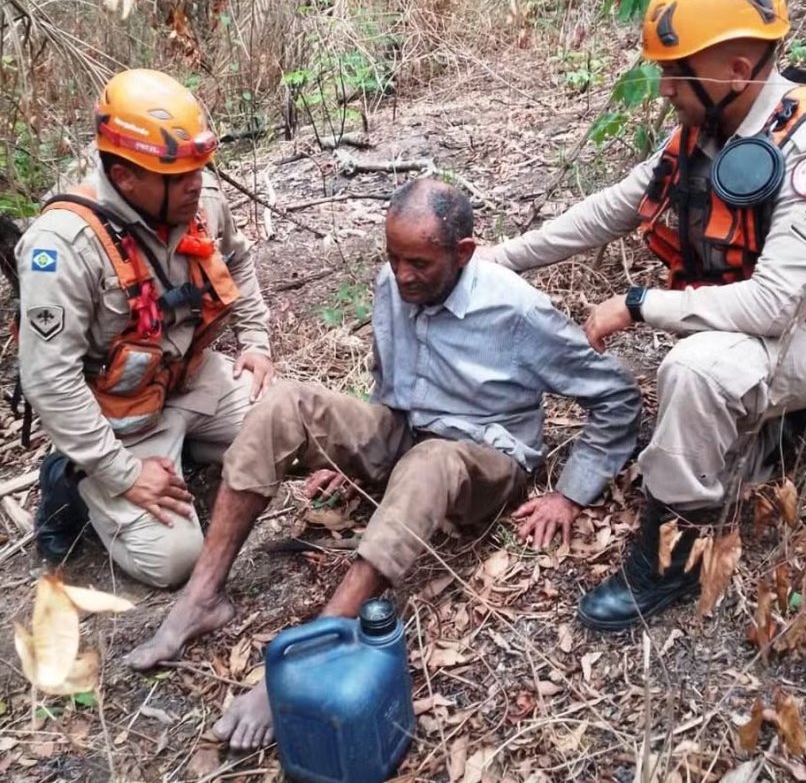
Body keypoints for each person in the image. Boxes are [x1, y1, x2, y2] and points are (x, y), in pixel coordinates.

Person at [124, 178, 641, 749]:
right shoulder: (395, 284)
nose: (401, 275)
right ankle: (203, 595)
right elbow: (390, 388)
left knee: (427, 463)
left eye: (418, 262)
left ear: (463, 253)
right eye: (392, 258)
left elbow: (615, 396)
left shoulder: (514, 309)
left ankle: (317, 644)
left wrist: (571, 492)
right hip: (408, 429)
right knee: (283, 404)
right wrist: (353, 455)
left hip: (484, 458)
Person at [478, 0, 806, 631]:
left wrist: (639, 306)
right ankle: (772, 428)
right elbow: (611, 207)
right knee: (703, 368)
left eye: (674, 72)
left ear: (736, 71)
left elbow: (777, 305)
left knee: (690, 368)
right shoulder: (707, 127)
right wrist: (503, 257)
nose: (663, 87)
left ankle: (674, 557)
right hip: (766, 327)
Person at [16, 69, 274, 588]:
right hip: (120, 414)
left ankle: (188, 446)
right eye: (177, 175)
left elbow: (239, 260)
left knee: (282, 437)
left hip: (192, 379)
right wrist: (125, 475)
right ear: (125, 174)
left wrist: (257, 342)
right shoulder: (63, 247)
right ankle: (77, 479)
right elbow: (50, 380)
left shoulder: (198, 197)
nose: (196, 183)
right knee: (174, 561)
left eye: (198, 168)